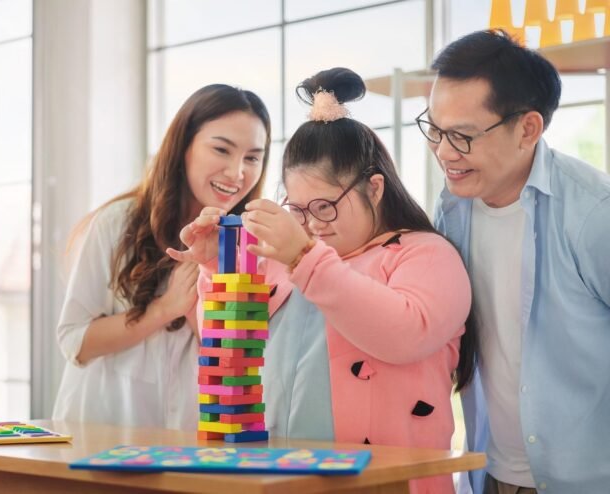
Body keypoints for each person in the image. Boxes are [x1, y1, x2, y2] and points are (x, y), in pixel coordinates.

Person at [170, 68, 475, 494]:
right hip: (282, 479)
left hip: (386, 484)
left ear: (374, 187)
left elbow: (406, 334)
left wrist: (304, 257)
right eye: (297, 209)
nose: (312, 224)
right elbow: (225, 348)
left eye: (324, 207)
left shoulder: (424, 254)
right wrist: (215, 270)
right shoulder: (282, 258)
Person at [419, 30, 610, 494]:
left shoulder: (592, 214)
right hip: (491, 475)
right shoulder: (450, 212)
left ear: (528, 128)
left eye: (462, 136)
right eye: (435, 130)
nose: (444, 152)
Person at [53, 84, 271, 429]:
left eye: (253, 157)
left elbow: (240, 364)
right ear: (184, 145)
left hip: (189, 445)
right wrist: (163, 309)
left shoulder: (250, 245)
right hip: (104, 437)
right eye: (221, 149)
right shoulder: (118, 223)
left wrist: (208, 285)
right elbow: (74, 341)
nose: (237, 172)